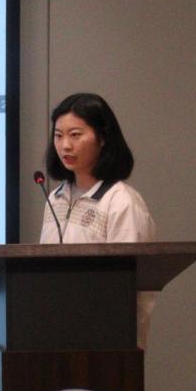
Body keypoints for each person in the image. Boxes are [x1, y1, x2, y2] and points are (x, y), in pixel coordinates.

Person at [40, 93, 156, 347]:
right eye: (58, 136)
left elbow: (128, 282)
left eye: (75, 135)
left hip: (108, 340)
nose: (65, 146)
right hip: (56, 334)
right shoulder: (55, 198)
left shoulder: (121, 201)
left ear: (102, 138)